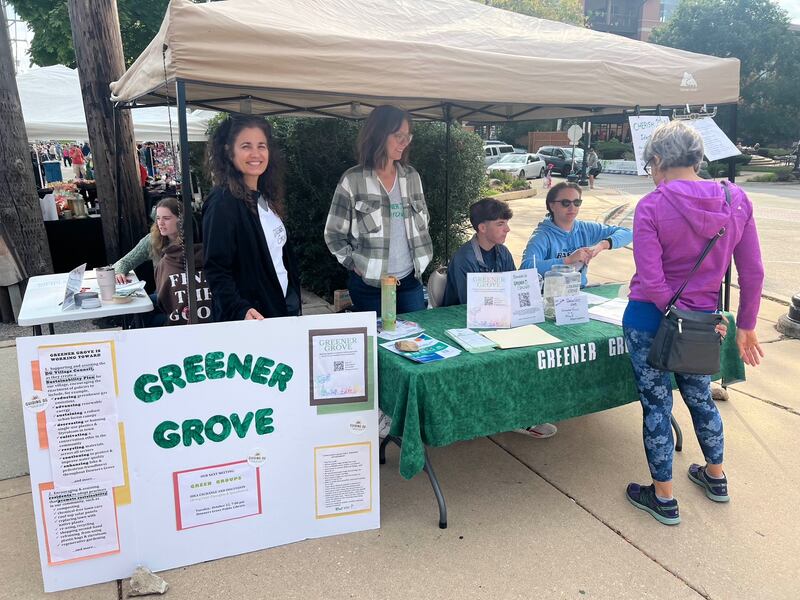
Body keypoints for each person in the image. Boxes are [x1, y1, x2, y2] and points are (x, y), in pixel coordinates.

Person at [622, 120, 764, 526]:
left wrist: (674, 317)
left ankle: (663, 497)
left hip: (651, 321)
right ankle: (715, 476)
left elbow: (651, 279)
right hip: (704, 323)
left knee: (656, 405)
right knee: (700, 397)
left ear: (659, 160)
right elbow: (752, 271)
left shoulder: (652, 205)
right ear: (698, 159)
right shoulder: (735, 200)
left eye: (650, 163)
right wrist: (745, 324)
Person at [443, 197, 556, 439]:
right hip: (465, 327)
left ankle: (521, 412)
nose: (507, 229)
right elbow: (471, 306)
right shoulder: (464, 258)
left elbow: (513, 290)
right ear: (482, 228)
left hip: (499, 320)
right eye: (501, 224)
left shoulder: (502, 252)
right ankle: (510, 414)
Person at [325, 105, 432, 315]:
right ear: (379, 134)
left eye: (407, 136)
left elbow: (424, 222)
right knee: (377, 345)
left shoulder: (412, 177)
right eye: (398, 135)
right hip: (369, 285)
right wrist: (354, 264)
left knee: (416, 341)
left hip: (410, 281)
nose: (404, 143)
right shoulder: (353, 180)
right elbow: (333, 233)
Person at [203, 115, 301, 322]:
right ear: (229, 152)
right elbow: (216, 269)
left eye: (262, 146)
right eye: (246, 146)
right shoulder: (222, 202)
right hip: (252, 319)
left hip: (280, 308)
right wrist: (240, 309)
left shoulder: (265, 196)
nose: (256, 154)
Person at [113, 197, 211, 326]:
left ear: (180, 220)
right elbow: (124, 262)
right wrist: (119, 272)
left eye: (166, 218)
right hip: (166, 293)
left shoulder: (197, 237)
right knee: (135, 306)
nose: (161, 223)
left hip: (197, 294)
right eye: (158, 218)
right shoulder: (152, 240)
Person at [520, 182, 632, 287]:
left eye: (576, 202)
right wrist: (567, 260)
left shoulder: (586, 228)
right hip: (549, 296)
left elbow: (628, 233)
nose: (572, 207)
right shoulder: (542, 236)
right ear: (552, 206)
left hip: (580, 292)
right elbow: (526, 268)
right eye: (566, 203)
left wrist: (603, 244)